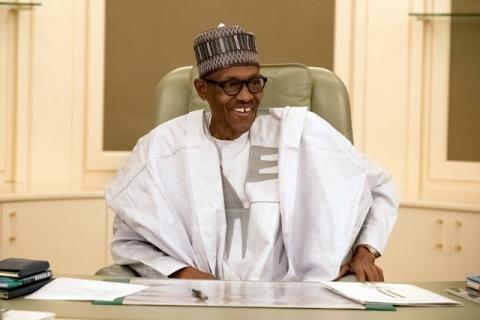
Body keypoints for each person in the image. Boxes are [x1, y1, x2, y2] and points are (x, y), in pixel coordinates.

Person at [106, 24, 398, 282]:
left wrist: (366, 252)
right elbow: (130, 238)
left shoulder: (299, 132)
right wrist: (184, 274)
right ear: (201, 89)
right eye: (231, 85)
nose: (246, 96)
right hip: (198, 302)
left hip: (297, 298)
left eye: (254, 82)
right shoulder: (162, 148)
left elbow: (380, 187)